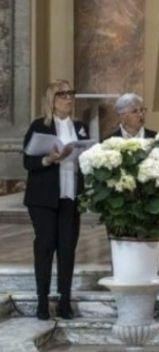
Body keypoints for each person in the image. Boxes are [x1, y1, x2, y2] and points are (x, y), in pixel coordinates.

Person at [23, 80, 89, 320]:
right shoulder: (39, 126)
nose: (69, 98)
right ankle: (42, 302)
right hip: (43, 199)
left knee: (67, 250)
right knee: (45, 247)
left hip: (70, 196)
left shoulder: (80, 127)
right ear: (51, 99)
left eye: (71, 93)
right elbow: (27, 162)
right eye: (62, 94)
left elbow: (87, 157)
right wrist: (48, 160)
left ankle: (64, 301)